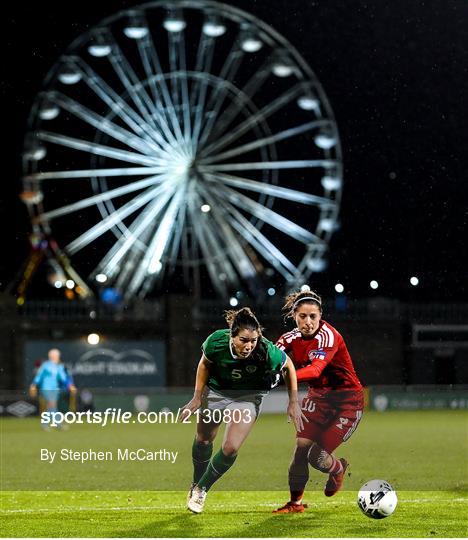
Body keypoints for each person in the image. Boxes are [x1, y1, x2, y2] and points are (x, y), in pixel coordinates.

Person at [182, 307, 306, 514]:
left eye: (253, 341)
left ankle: (202, 489)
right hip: (216, 391)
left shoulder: (266, 350)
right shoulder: (216, 342)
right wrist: (197, 397)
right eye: (243, 340)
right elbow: (204, 364)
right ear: (231, 336)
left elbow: (289, 366)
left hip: (248, 397)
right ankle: (196, 483)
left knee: (230, 448)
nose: (249, 346)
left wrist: (293, 401)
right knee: (204, 439)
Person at [273, 290, 364, 514]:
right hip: (318, 397)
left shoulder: (329, 336)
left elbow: (315, 370)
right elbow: (272, 359)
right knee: (301, 450)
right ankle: (295, 504)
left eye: (313, 316)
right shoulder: (289, 338)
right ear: (294, 315)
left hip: (347, 401)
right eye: (303, 316)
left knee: (317, 457)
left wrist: (284, 373)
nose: (308, 322)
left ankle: (338, 467)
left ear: (320, 315)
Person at [29, 348, 76, 428]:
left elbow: (63, 378)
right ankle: (56, 424)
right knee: (52, 404)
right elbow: (39, 376)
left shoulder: (59, 366)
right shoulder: (46, 365)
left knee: (51, 406)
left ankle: (46, 423)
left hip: (55, 388)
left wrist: (70, 385)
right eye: (56, 355)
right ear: (52, 356)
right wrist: (33, 384)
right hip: (46, 388)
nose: (58, 357)